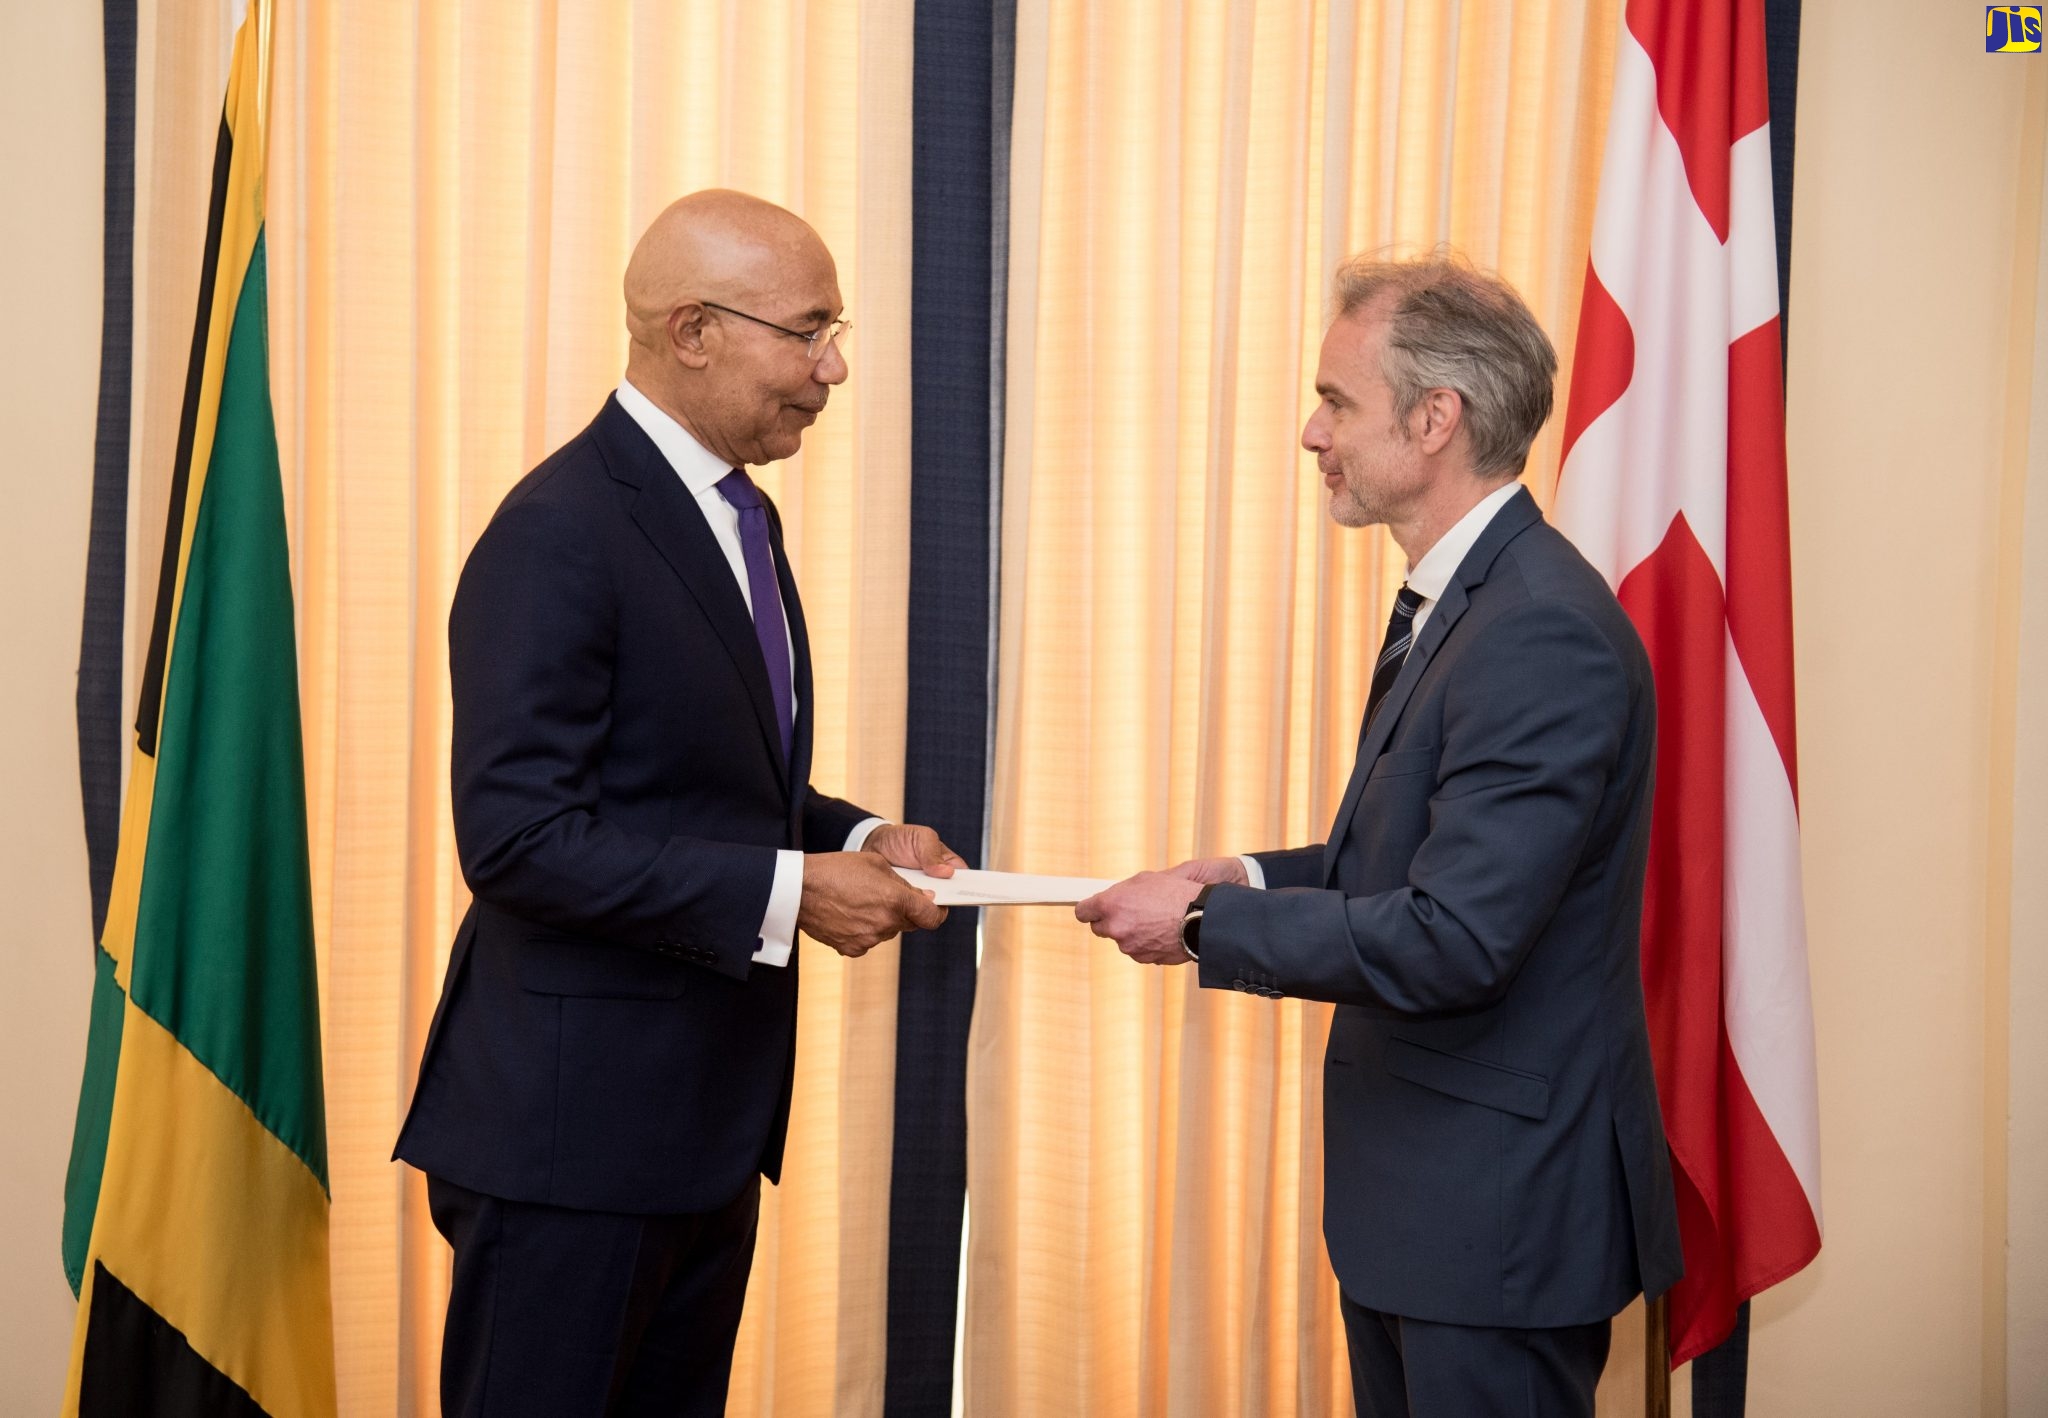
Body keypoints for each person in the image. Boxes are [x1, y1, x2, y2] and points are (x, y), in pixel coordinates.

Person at [1076, 255, 1682, 1417]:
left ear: (1433, 417)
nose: (1312, 433)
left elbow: (1453, 937)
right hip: (1429, 1212)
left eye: (1335, 400)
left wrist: (1204, 923)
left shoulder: (1534, 631)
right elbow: (1411, 869)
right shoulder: (1467, 604)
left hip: (1493, 1225)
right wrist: (1241, 874)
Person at [394, 189, 962, 1417]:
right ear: (691, 329)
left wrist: (857, 836)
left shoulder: (735, 515)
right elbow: (519, 838)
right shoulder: (558, 529)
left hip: (696, 1132)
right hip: (570, 1143)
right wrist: (792, 888)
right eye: (807, 330)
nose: (835, 366)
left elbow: (705, 786)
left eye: (836, 328)